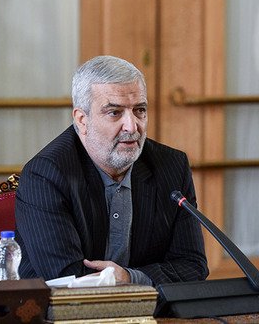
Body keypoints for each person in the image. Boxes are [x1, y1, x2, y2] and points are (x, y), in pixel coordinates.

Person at [15, 55, 208, 286]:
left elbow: (193, 266)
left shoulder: (171, 166)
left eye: (140, 110)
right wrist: (136, 281)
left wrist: (129, 278)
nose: (132, 126)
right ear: (82, 120)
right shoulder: (46, 175)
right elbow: (68, 281)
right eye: (115, 112)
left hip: (149, 307)